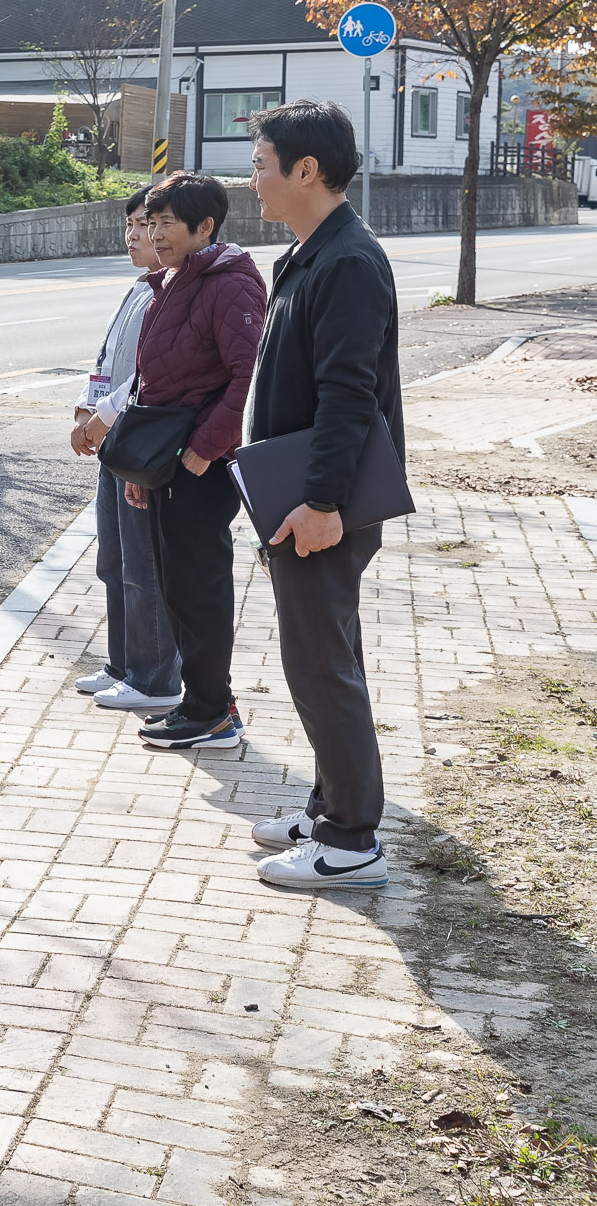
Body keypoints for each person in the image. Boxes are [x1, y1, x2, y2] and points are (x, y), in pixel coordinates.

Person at [241, 103, 403, 890]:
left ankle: (350, 840)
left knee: (319, 665)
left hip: (317, 504)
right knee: (326, 656)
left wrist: (323, 502)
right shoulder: (313, 253)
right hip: (298, 496)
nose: (254, 177)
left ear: (308, 170)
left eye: (263, 161)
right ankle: (328, 803)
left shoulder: (348, 263)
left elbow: (349, 395)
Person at [118, 171, 267, 753]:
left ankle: (214, 713)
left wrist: (205, 452)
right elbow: (153, 382)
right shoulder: (174, 280)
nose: (155, 234)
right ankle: (201, 702)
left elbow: (245, 379)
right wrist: (142, 470)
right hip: (166, 463)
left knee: (199, 589)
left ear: (205, 226)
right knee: (177, 586)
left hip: (201, 465)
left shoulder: (230, 285)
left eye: (166, 224)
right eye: (150, 223)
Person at [68, 190, 181, 714]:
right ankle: (123, 664)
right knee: (114, 562)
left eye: (149, 224)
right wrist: (82, 409)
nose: (138, 236)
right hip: (114, 442)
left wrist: (102, 420)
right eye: (133, 225)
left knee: (144, 566)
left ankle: (154, 678)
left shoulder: (176, 294)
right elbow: (108, 357)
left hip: (141, 446)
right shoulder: (140, 288)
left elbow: (148, 378)